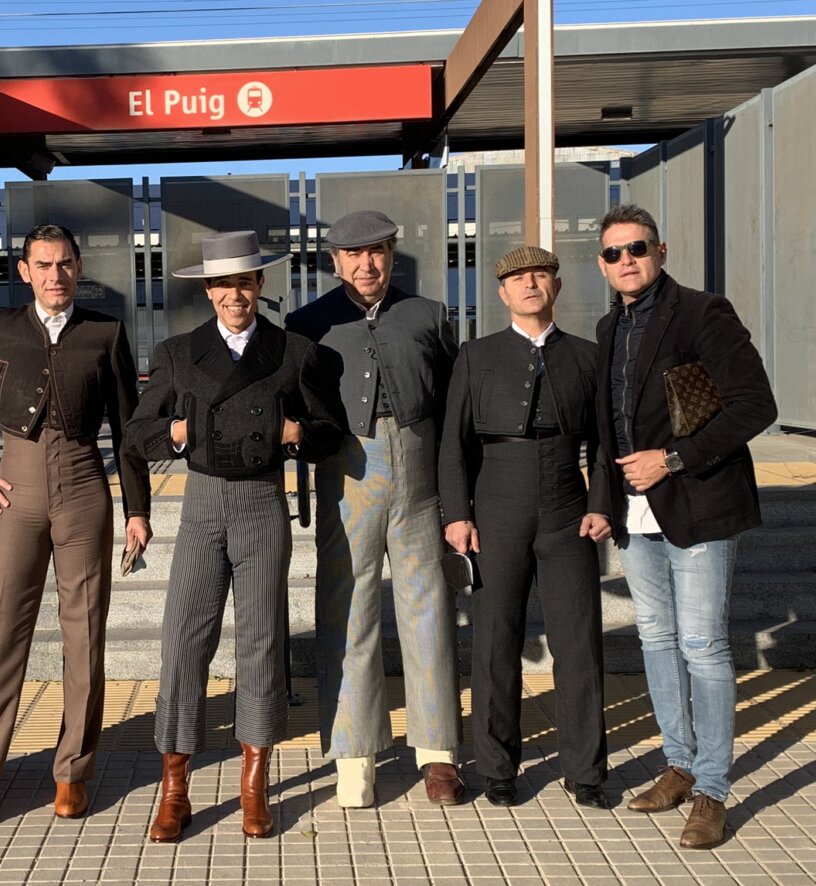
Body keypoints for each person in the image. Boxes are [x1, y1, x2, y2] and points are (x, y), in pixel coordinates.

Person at [124, 231, 340, 841]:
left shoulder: (294, 351)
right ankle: (175, 786)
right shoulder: (177, 352)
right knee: (183, 642)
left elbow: (332, 430)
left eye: (245, 282)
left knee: (263, 643)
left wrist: (297, 433)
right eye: (222, 284)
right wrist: (178, 433)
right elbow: (136, 434)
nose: (234, 294)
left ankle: (254, 785)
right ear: (209, 290)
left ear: (260, 286)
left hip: (264, 503)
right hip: (201, 505)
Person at [0, 224, 151, 835]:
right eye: (43, 265)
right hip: (18, 488)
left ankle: (72, 772)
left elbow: (128, 426)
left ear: (78, 268)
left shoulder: (104, 332)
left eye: (64, 264)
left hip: (85, 485)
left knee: (84, 634)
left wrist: (138, 509)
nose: (55, 275)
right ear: (24, 271)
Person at [594, 204, 776, 849]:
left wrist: (672, 459)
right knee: (657, 640)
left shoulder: (703, 312)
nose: (627, 261)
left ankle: (712, 790)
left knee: (703, 645)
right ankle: (677, 765)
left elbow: (757, 404)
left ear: (661, 251)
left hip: (699, 501)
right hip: (637, 512)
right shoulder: (608, 327)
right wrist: (603, 499)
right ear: (602, 264)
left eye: (637, 248)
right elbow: (607, 430)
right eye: (614, 253)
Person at [285, 210, 464, 808]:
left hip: (418, 464)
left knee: (427, 605)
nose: (366, 264)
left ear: (392, 254)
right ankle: (354, 753)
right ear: (334, 261)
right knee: (347, 607)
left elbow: (453, 406)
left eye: (377, 252)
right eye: (353, 254)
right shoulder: (306, 324)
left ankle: (438, 752)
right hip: (346, 468)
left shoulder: (429, 314)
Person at [439, 245, 612, 809]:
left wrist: (601, 503)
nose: (529, 284)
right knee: (495, 640)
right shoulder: (475, 355)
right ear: (502, 294)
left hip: (568, 502)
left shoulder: (588, 356)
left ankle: (585, 770)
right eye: (517, 278)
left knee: (578, 642)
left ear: (556, 287)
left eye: (540, 275)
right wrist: (458, 514)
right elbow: (453, 444)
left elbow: (607, 444)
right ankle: (497, 768)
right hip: (497, 502)